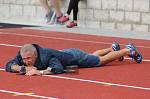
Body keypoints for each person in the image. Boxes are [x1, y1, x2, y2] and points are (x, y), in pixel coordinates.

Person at [5, 42, 142, 76]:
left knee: (100, 61)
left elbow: (58, 68)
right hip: (67, 53)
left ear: (35, 55)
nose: (26, 60)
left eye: (28, 59)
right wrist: (23, 68)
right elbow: (9, 65)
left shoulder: (46, 56)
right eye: (24, 59)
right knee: (92, 56)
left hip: (75, 58)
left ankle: (128, 50)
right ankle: (113, 48)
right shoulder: (24, 55)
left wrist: (39, 72)